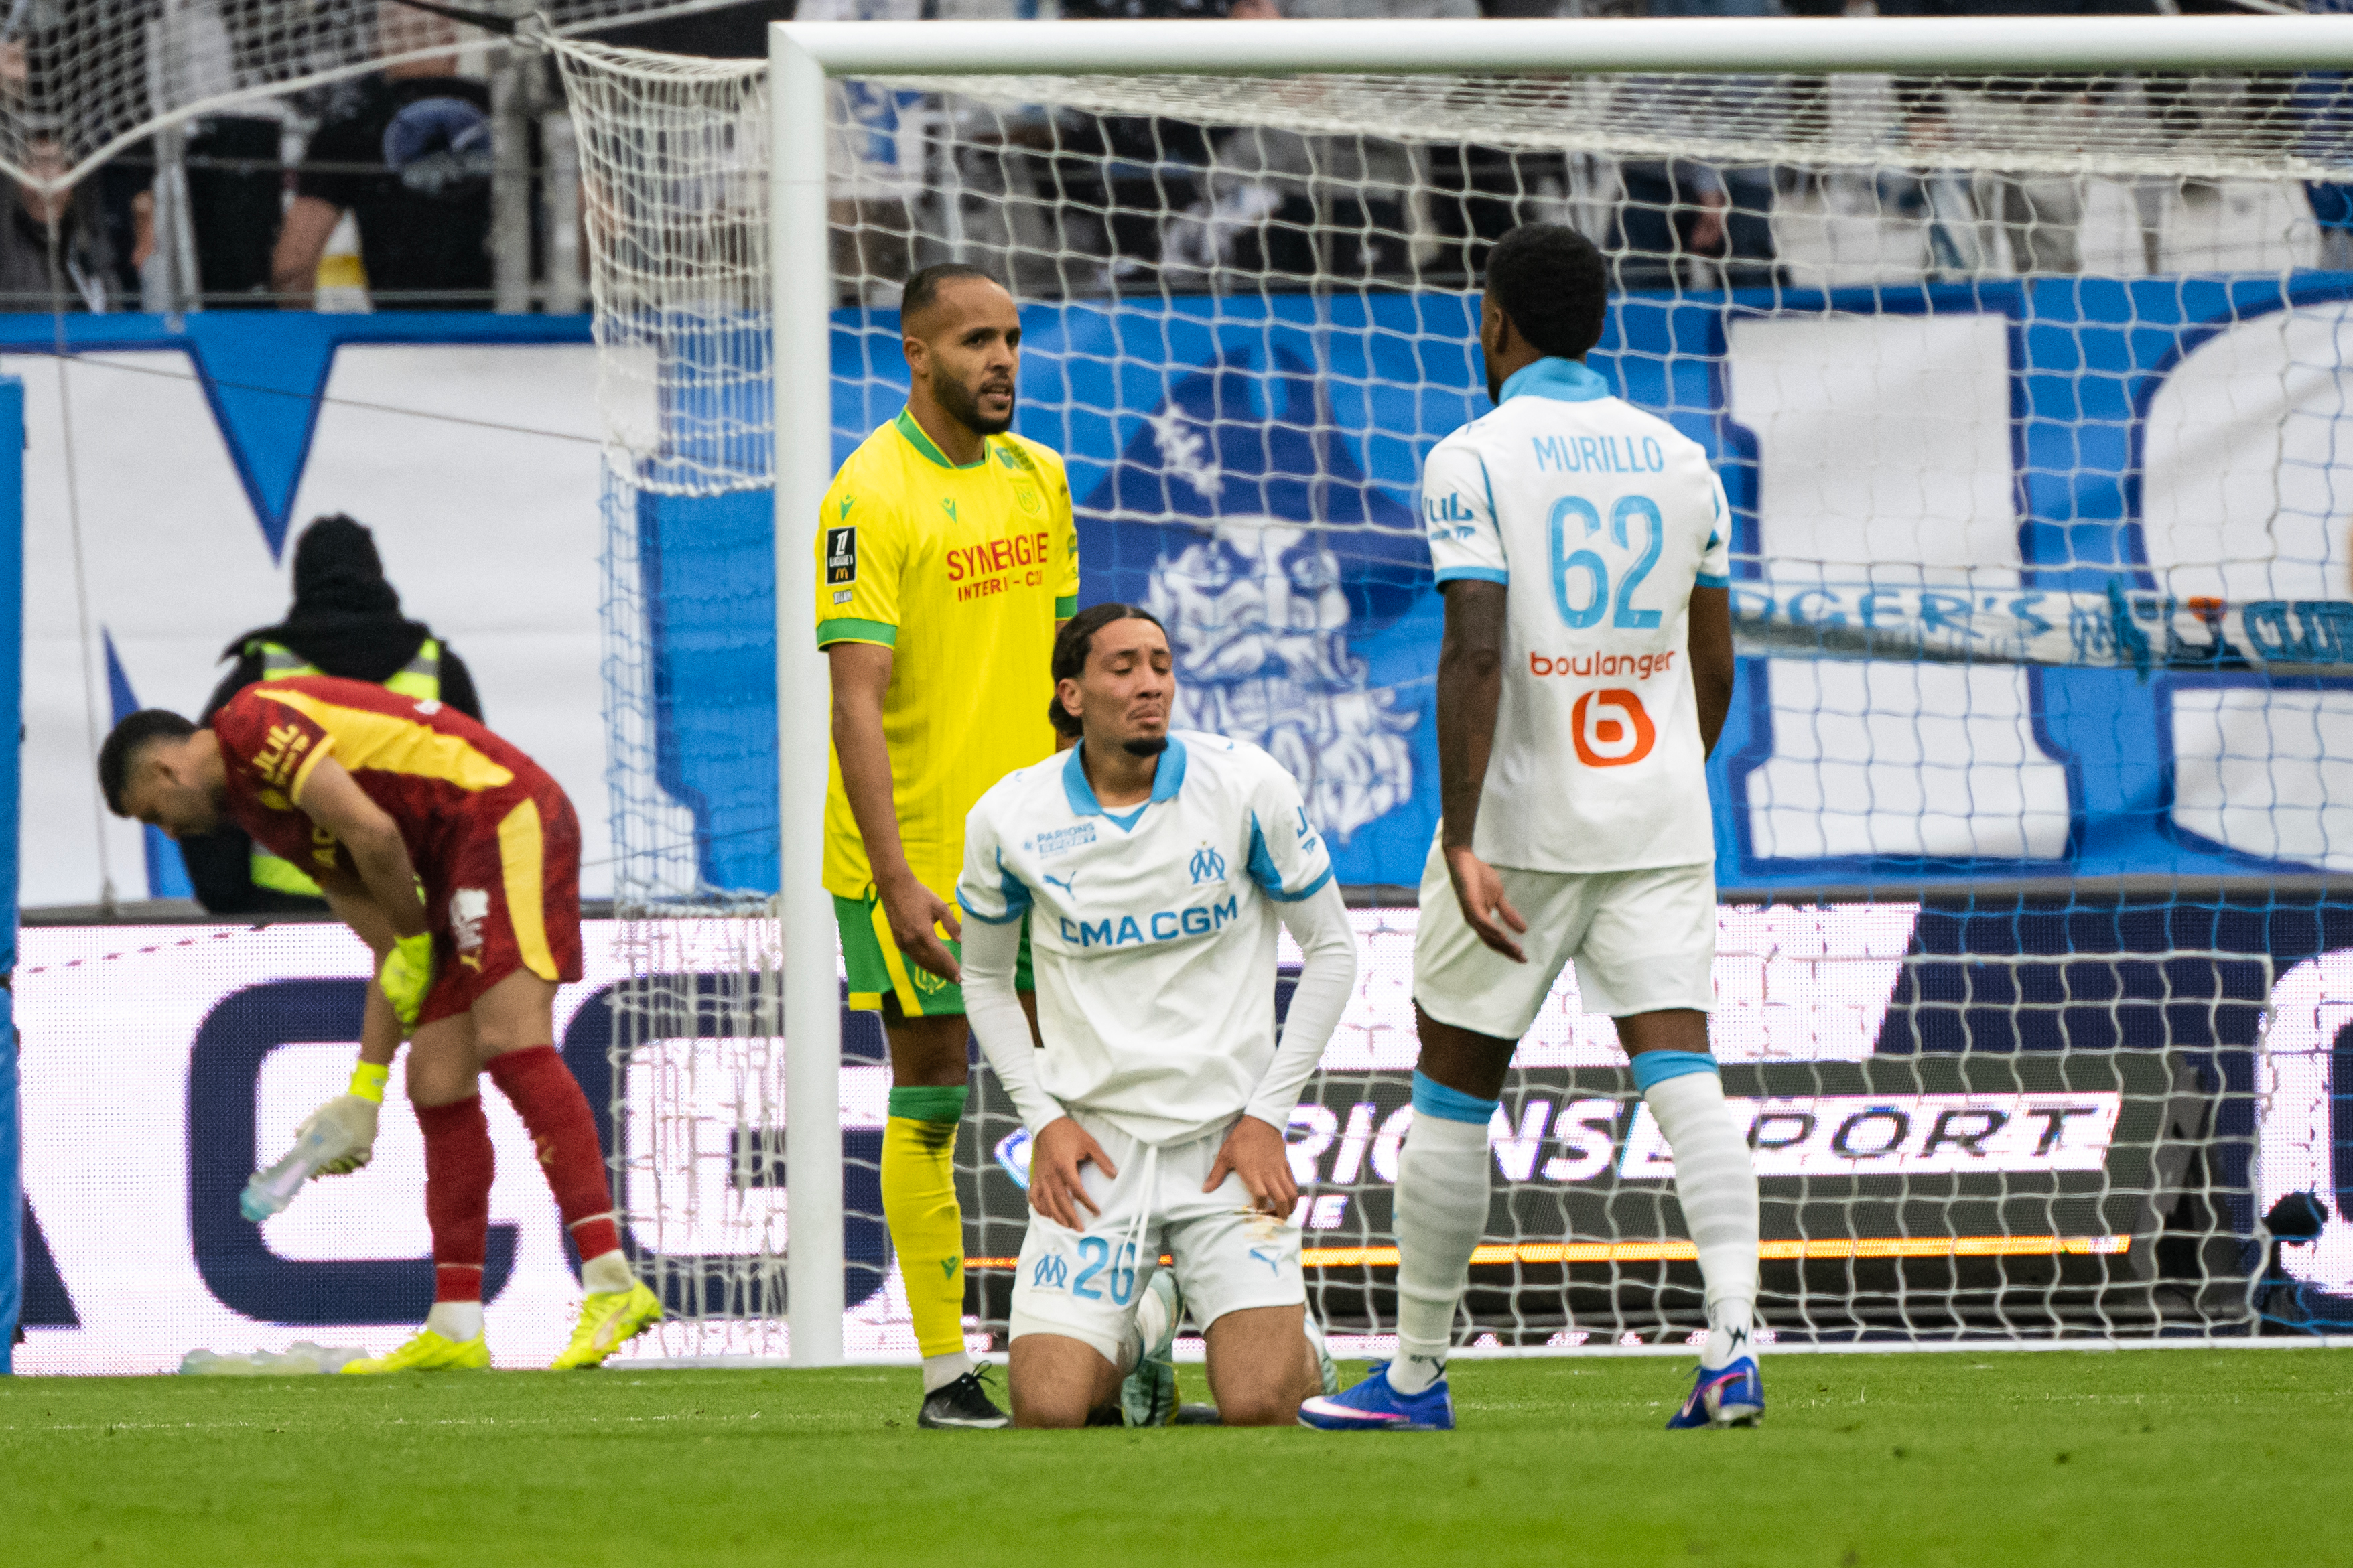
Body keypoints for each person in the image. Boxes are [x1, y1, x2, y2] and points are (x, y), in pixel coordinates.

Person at [1299, 224, 1756, 1432]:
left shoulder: (1472, 456)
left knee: (1451, 1087)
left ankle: (1412, 1376)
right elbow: (1713, 659)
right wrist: (1662, 780)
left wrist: (1461, 832)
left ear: (1493, 321)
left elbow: (1477, 650)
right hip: (1659, 816)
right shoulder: (1682, 462)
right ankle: (1733, 1349)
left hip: (1514, 831)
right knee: (1684, 1074)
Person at [97, 679, 663, 1373]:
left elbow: (375, 833)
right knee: (433, 1079)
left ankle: (611, 1282)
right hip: (457, 863)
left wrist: (415, 941)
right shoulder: (267, 821)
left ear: (166, 769)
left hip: (501, 814)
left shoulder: (250, 722)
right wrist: (363, 1089)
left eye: (155, 814)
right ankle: (456, 1324)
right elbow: (395, 950)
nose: (169, 832)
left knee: (510, 1036)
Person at [957, 604, 1359, 1429]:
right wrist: (1041, 1122)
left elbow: (1335, 953)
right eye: (1123, 668)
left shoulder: (1246, 785)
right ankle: (1144, 1324)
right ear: (1071, 694)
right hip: (1096, 1148)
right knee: (1051, 1410)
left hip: (1227, 1146)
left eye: (1161, 664)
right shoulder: (1008, 817)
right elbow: (986, 981)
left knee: (1259, 1406)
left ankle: (1297, 1343)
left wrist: (1265, 1116)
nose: (1150, 685)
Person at [819, 261, 1078, 1429]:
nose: (1001, 360)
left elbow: (1065, 673)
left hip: (1042, 849)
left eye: (1011, 338)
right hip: (915, 855)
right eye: (975, 340)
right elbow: (854, 700)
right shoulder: (867, 496)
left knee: (1088, 1090)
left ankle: (1092, 1344)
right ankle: (941, 1373)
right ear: (916, 354)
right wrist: (894, 877)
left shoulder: (1041, 478)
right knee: (932, 1089)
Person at [181, 514, 484, 915]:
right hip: (412, 915)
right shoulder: (440, 669)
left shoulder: (259, 675)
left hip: (284, 918)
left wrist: (231, 902)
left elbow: (206, 788)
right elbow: (480, 798)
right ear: (376, 574)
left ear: (301, 582)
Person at [271, 5, 491, 309]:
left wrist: (304, 344)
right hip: (519, 338)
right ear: (452, 42)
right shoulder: (514, 119)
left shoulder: (353, 121)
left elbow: (293, 265)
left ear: (379, 48)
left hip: (398, 339)